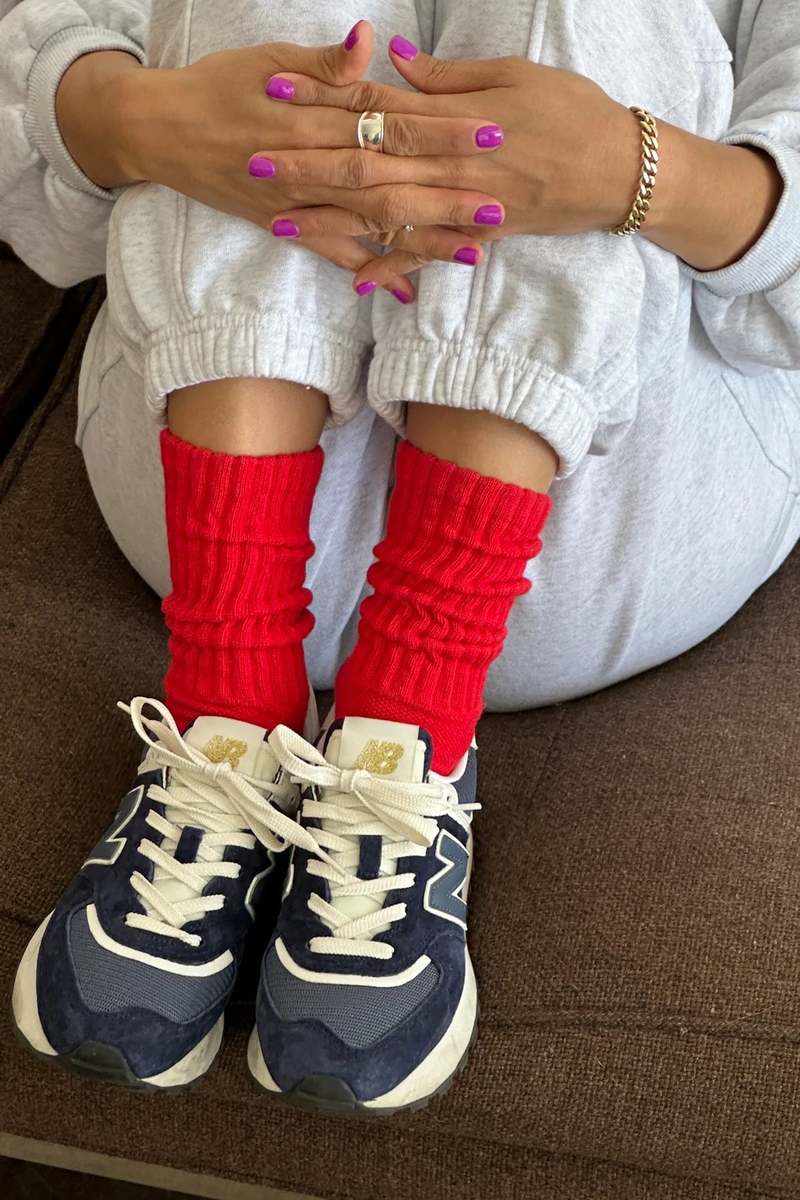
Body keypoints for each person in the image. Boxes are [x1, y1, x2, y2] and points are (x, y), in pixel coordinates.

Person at [3, 0, 800, 1114]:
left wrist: (637, 170)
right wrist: (142, 118)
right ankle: (228, 711)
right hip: (208, 463)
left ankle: (411, 725)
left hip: (589, 516)